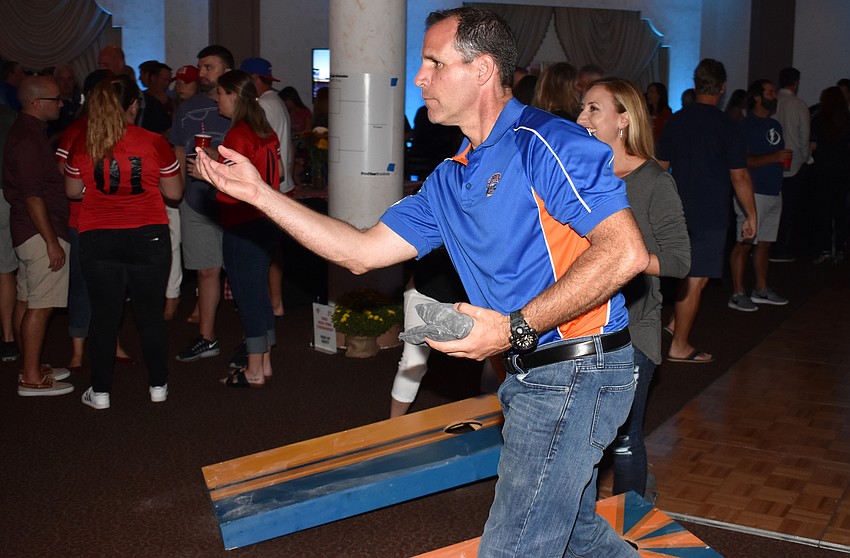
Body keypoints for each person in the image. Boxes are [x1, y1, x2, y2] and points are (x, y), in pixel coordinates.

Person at [195, 7, 648, 556]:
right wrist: (261, 196)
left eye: (434, 63)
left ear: (483, 70)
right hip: (532, 374)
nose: (419, 78)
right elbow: (360, 252)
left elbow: (624, 252)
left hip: (578, 369)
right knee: (575, 536)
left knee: (515, 547)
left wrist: (513, 329)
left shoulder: (546, 142)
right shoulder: (451, 176)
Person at [577, 78, 690, 498]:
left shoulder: (654, 182)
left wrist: (627, 260)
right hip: (580, 327)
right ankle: (582, 526)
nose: (582, 117)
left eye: (594, 109)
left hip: (632, 332)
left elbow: (680, 262)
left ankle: (631, 523)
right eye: (582, 108)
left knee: (624, 438)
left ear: (623, 120)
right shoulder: (580, 177)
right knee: (582, 440)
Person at [64, 75, 183, 409]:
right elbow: (174, 193)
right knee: (150, 316)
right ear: (134, 105)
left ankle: (100, 392)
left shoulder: (83, 141)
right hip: (148, 235)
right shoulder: (153, 141)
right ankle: (158, 386)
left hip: (98, 236)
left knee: (104, 317)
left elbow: (72, 192)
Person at [657, 59, 757, 364]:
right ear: (722, 88)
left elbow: (659, 170)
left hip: (677, 210)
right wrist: (751, 214)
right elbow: (739, 175)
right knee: (696, 280)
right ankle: (680, 346)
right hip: (710, 212)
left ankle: (675, 325)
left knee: (688, 275)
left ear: (696, 84)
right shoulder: (727, 125)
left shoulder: (676, 120)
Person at [203, 70, 281, 387]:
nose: (215, 98)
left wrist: (207, 173)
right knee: (258, 293)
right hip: (266, 220)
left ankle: (253, 370)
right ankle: (264, 363)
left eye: (220, 93)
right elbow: (278, 171)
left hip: (243, 222)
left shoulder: (237, 135)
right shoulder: (265, 131)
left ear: (234, 96)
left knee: (247, 298)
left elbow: (233, 189)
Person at [3, 76, 73, 395]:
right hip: (38, 233)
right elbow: (32, 196)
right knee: (41, 304)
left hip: (27, 230)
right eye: (56, 99)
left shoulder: (27, 133)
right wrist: (51, 241)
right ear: (36, 103)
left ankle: (28, 366)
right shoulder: (27, 140)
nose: (61, 104)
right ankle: (30, 377)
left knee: (27, 299)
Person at [170, 45, 233, 360]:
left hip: (236, 203)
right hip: (195, 199)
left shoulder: (245, 107)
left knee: (244, 269)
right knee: (207, 271)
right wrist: (178, 190)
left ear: (227, 70)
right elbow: (179, 150)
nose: (201, 73)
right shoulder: (187, 106)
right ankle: (207, 337)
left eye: (209, 67)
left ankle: (256, 341)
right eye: (201, 67)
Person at [729, 79, 790, 311]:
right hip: (752, 193)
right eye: (770, 92)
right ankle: (737, 293)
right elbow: (741, 162)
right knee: (744, 243)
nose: (775, 96)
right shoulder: (745, 126)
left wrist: (778, 160)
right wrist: (773, 158)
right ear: (757, 97)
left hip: (774, 190)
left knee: (764, 243)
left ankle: (761, 290)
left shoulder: (775, 125)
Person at [772, 67, 811, 262]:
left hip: (772, 161)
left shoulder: (773, 102)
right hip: (794, 163)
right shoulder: (798, 105)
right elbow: (804, 137)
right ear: (795, 83)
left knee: (772, 207)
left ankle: (767, 246)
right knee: (788, 210)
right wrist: (806, 157)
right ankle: (780, 248)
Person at [810, 86, 850, 263]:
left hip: (823, 170)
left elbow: (813, 144)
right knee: (840, 210)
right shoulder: (847, 119)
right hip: (843, 170)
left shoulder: (819, 119)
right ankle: (840, 248)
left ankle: (825, 248)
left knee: (824, 210)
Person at [0, 103, 19, 361]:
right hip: (4, 194)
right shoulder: (8, 115)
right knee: (5, 269)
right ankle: (7, 338)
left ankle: (8, 338)